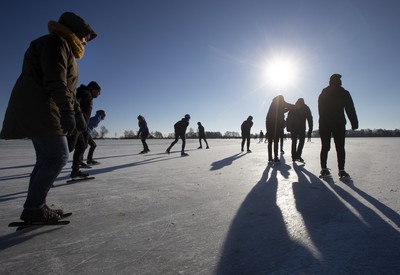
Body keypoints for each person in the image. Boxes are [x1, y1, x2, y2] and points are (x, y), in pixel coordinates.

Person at [0, 12, 97, 222]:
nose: (87, 41)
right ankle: (34, 208)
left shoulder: (65, 49)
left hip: (42, 107)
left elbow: (69, 90)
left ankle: (36, 206)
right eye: (86, 36)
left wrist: (78, 112)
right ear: (76, 31)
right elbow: (56, 81)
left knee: (45, 158)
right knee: (58, 156)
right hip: (40, 107)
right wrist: (67, 111)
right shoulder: (56, 43)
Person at [318, 74, 358, 178]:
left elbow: (320, 110)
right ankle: (341, 170)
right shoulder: (343, 93)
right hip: (338, 123)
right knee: (340, 147)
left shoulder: (323, 93)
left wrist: (323, 121)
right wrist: (354, 123)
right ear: (339, 82)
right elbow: (350, 108)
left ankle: (324, 169)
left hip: (325, 123)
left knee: (325, 146)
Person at [68, 81, 101, 178]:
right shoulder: (86, 94)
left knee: (82, 145)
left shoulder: (86, 94)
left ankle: (75, 171)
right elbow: (75, 107)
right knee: (66, 148)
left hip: (80, 126)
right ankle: (47, 175)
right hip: (76, 125)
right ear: (93, 89)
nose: (99, 95)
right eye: (98, 92)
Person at [266, 95, 294, 163]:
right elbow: (286, 105)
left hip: (268, 122)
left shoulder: (273, 103)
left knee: (270, 141)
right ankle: (275, 157)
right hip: (275, 123)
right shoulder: (280, 102)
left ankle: (270, 158)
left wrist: (288, 109)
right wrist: (294, 106)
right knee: (276, 140)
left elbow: (281, 110)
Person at [286, 98, 313, 163]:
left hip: (293, 128)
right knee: (301, 141)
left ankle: (294, 157)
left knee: (294, 142)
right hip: (301, 128)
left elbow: (288, 117)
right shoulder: (306, 107)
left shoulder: (294, 107)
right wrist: (310, 130)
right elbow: (310, 119)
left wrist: (288, 127)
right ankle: (298, 155)